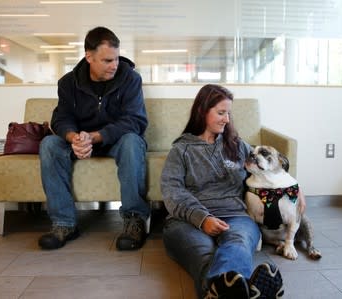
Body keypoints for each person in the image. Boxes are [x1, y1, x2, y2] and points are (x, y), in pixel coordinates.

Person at [161, 84, 285, 298]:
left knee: (237, 243)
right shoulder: (180, 151)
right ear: (202, 111)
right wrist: (203, 219)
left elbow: (268, 169)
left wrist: (293, 189)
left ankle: (222, 291)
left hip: (236, 216)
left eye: (228, 113)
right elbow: (172, 193)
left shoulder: (238, 147)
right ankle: (243, 290)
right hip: (186, 221)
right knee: (204, 254)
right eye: (220, 112)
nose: (227, 119)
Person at [38, 26, 150, 251]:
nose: (115, 65)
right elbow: (61, 119)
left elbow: (135, 121)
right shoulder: (68, 83)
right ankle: (64, 223)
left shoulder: (130, 79)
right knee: (49, 144)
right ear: (89, 57)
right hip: (81, 140)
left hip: (115, 140)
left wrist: (95, 137)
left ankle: (134, 220)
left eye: (116, 59)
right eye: (108, 60)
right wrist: (74, 138)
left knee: (132, 142)